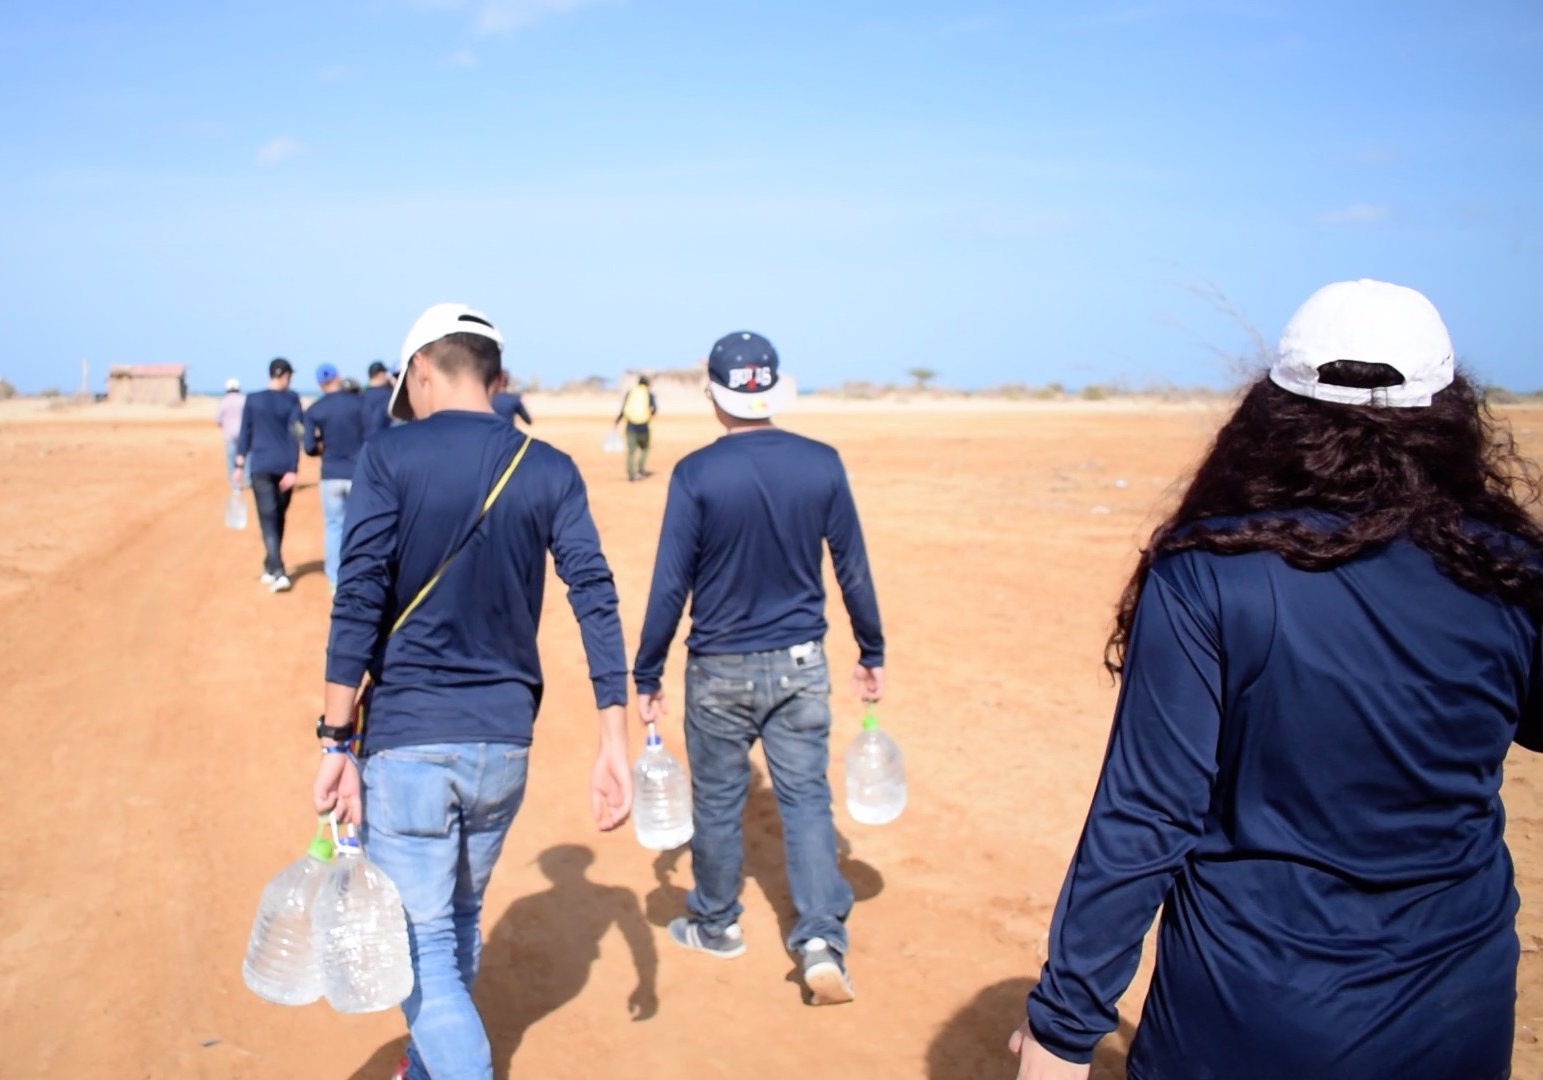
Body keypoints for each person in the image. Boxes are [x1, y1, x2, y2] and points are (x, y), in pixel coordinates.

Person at [1010, 280, 1543, 1080]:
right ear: (1448, 408)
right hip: (1454, 1018)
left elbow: (1149, 812)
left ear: (1274, 410)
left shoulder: (1211, 574)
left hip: (1245, 1020)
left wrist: (1062, 1030)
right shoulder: (1506, 571)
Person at [314, 303, 634, 1080]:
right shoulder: (549, 466)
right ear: (493, 377)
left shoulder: (391, 457)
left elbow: (358, 597)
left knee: (422, 942)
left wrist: (333, 739)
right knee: (456, 919)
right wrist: (614, 740)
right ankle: (427, 1070)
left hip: (412, 743)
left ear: (422, 369)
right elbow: (594, 593)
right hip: (504, 747)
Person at [633, 331, 885, 1007]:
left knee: (718, 800)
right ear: (772, 390)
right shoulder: (821, 463)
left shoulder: (695, 474)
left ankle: (716, 923)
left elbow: (668, 586)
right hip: (802, 662)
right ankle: (821, 941)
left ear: (714, 395)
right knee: (805, 796)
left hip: (718, 668)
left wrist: (647, 671)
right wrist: (871, 650)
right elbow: (852, 567)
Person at [232, 357, 304, 592]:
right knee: (271, 516)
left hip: (272, 467)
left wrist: (239, 463)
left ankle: (269, 564)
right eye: (289, 375)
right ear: (282, 375)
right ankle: (279, 570)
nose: (290, 379)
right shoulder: (274, 399)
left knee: (275, 517)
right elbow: (295, 434)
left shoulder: (273, 399)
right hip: (271, 467)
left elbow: (247, 433)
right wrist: (240, 464)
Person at [302, 362, 367, 594]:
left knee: (333, 527)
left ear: (320, 383)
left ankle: (335, 580)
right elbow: (371, 435)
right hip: (358, 474)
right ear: (338, 377)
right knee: (360, 526)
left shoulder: (314, 410)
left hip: (330, 474)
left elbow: (309, 447)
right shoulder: (360, 403)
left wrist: (323, 445)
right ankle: (360, 575)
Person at [615, 375, 658, 481]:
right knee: (645, 448)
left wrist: (617, 421)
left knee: (631, 452)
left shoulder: (631, 392)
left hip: (631, 426)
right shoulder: (649, 394)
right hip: (644, 426)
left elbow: (624, 408)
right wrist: (648, 417)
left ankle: (631, 474)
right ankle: (640, 469)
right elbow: (654, 409)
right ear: (647, 384)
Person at [216, 377, 244, 490]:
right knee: (245, 457)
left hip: (229, 434)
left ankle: (235, 484)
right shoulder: (244, 399)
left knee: (231, 458)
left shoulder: (224, 401)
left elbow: (218, 418)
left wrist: (224, 425)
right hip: (243, 434)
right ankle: (248, 480)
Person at [362, 360, 395, 437]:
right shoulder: (389, 394)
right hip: (386, 438)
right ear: (380, 374)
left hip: (365, 440)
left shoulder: (360, 397)